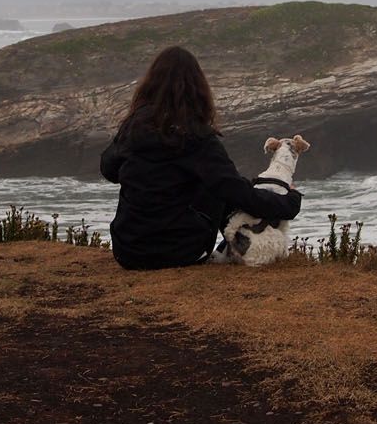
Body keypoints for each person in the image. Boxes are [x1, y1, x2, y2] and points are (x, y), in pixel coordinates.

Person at [99, 46, 302, 270]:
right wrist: (288, 202)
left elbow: (108, 169)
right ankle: (245, 245)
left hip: (127, 251)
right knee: (216, 186)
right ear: (197, 89)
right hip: (178, 253)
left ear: (150, 85)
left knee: (213, 181)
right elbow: (235, 191)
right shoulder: (195, 136)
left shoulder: (133, 127)